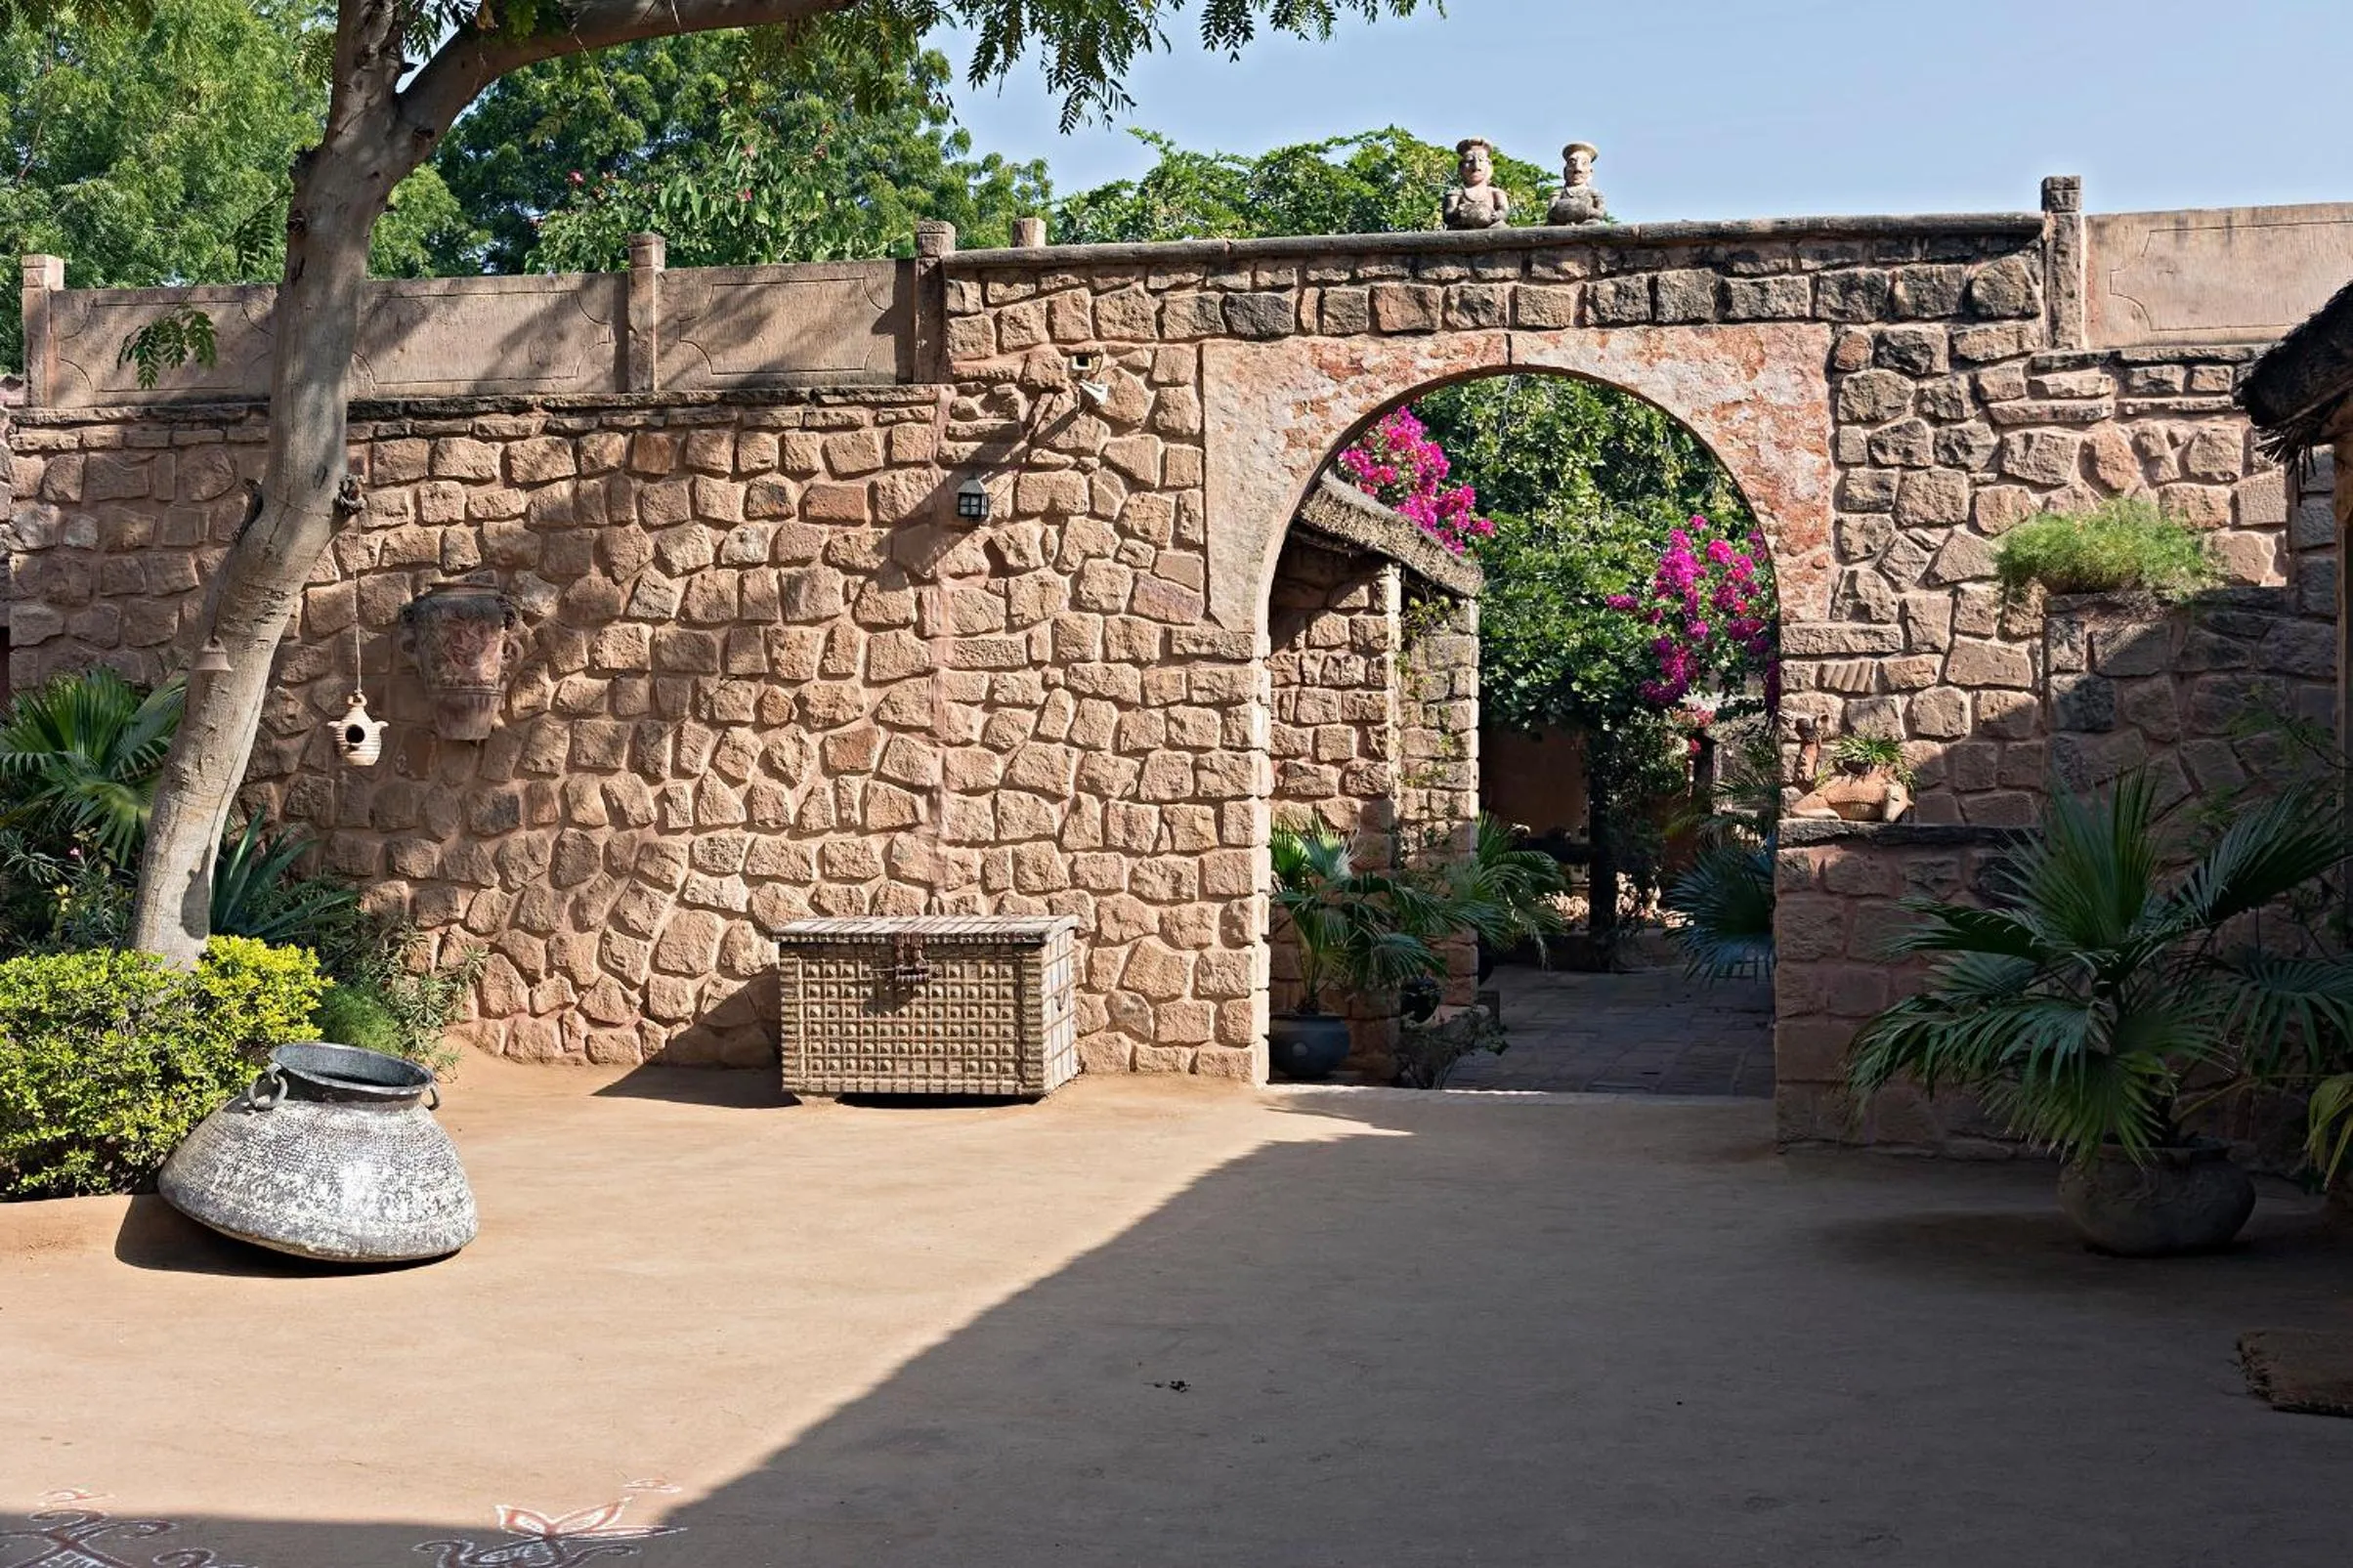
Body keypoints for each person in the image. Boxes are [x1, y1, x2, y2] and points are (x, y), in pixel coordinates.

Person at [1441, 138, 1511, 231]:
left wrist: (1497, 215)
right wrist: (1458, 212)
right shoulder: (1455, 194)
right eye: (1469, 160)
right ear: (1461, 168)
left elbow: (1504, 210)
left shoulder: (1495, 192)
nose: (1476, 166)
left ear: (1489, 166)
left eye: (1481, 160)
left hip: (1492, 228)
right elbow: (1448, 216)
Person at [1547, 142, 1609, 227]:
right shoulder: (1558, 192)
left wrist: (1584, 209)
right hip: (1561, 225)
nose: (1577, 169)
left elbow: (1600, 214)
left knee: (1595, 224)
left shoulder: (1594, 193)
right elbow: (1550, 214)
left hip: (1587, 224)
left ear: (1590, 172)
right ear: (1565, 171)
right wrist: (1565, 208)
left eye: (1584, 163)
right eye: (1572, 163)